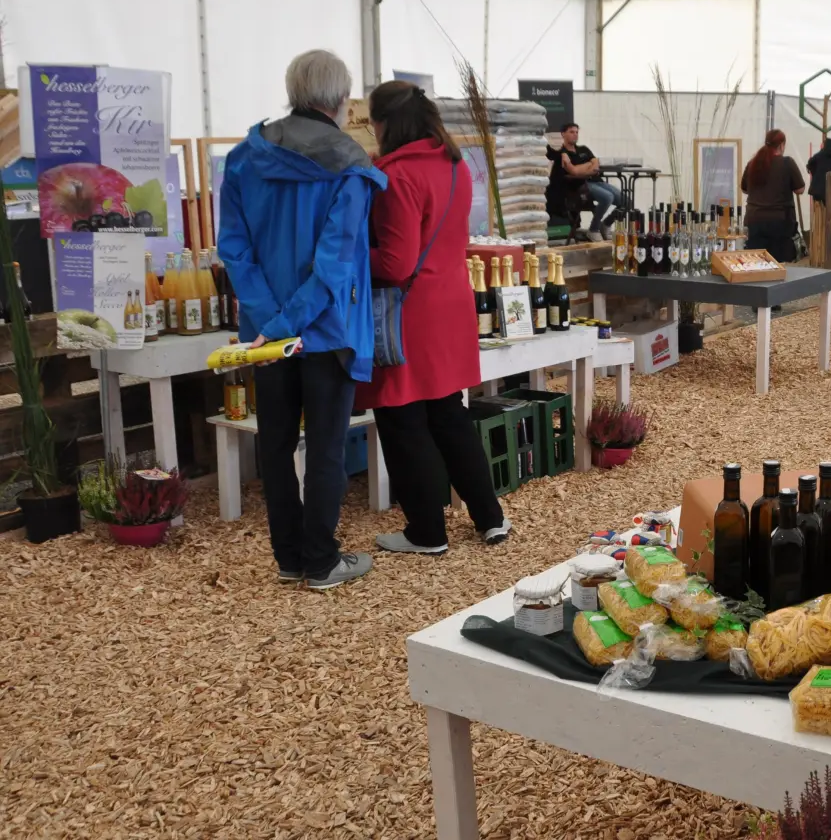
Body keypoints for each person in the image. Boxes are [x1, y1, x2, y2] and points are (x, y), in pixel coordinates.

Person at [216, 50, 386, 590]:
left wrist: (270, 319)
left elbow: (234, 248)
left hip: (265, 336)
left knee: (275, 443)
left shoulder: (245, 156)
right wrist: (293, 320)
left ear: (292, 90)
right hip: (328, 329)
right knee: (328, 447)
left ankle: (288, 557)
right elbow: (336, 263)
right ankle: (322, 560)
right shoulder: (351, 164)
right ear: (340, 99)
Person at [358, 81, 511, 556]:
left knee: (402, 418)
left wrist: (345, 259)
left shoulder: (395, 175)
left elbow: (397, 264)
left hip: (409, 312)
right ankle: (490, 516)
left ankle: (426, 531)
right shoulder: (455, 164)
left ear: (385, 124)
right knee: (449, 414)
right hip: (452, 302)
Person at [741, 129, 806, 263]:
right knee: (778, 265)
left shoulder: (753, 163)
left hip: (754, 221)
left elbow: (744, 189)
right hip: (779, 224)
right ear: (782, 145)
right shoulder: (787, 163)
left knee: (755, 263)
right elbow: (800, 189)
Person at [547, 123, 618, 242]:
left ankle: (605, 224)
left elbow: (596, 163)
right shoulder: (562, 154)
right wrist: (588, 167)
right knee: (608, 197)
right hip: (581, 187)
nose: (575, 135)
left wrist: (585, 169)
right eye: (571, 132)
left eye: (576, 132)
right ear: (563, 134)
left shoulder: (584, 149)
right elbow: (574, 172)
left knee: (627, 202)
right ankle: (593, 230)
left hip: (596, 181)